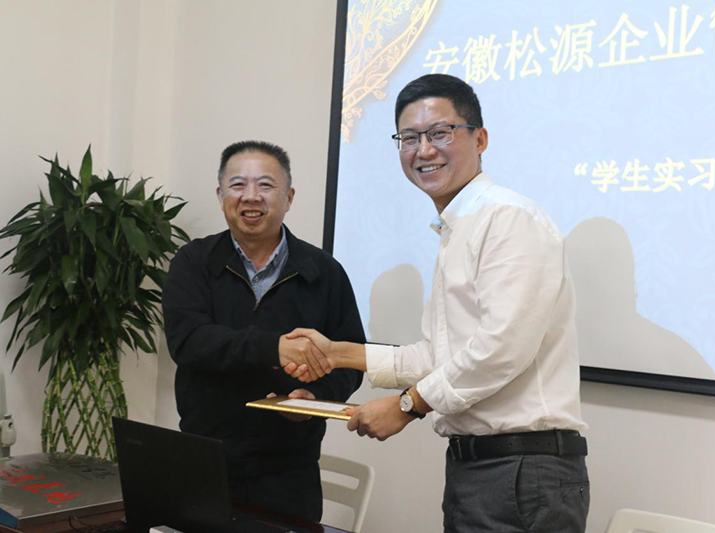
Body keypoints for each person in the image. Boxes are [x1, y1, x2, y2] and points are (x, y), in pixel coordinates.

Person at [287, 74, 590, 532]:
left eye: (440, 133)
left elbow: (501, 348)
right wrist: (338, 354)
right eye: (409, 138)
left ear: (479, 139)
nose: (424, 150)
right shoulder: (457, 229)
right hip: (480, 468)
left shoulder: (508, 219)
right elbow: (438, 357)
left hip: (524, 471)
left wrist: (407, 405)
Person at [162, 140, 364, 522]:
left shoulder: (324, 271)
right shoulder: (193, 262)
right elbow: (188, 340)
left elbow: (349, 357)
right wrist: (274, 348)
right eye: (238, 185)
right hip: (206, 461)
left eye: (265, 185)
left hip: (290, 473)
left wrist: (314, 398)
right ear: (221, 196)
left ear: (289, 197)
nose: (251, 196)